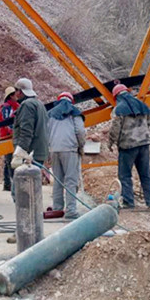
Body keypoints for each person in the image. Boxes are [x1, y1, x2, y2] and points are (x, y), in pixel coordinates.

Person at [104, 83, 150, 211]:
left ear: (116, 96)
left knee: (125, 175)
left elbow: (115, 128)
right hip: (144, 144)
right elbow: (149, 122)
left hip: (128, 146)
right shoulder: (142, 105)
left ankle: (129, 203)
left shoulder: (119, 109)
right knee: (145, 174)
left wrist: (111, 142)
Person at [47, 91, 86, 220]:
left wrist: (48, 151)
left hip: (54, 149)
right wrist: (81, 146)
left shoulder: (50, 114)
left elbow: (46, 133)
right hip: (69, 149)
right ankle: (71, 211)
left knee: (58, 180)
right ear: (72, 101)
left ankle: (57, 208)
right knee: (71, 180)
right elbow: (80, 131)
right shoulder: (75, 112)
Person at [10, 77, 48, 199]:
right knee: (31, 190)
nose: (15, 94)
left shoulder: (27, 105)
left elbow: (26, 131)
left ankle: (24, 212)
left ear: (20, 91)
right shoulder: (39, 104)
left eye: (16, 90)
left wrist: (20, 152)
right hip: (38, 152)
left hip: (29, 155)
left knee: (21, 193)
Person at [0, 86, 19, 191]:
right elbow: (6, 122)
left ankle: (7, 184)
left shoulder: (15, 106)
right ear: (11, 96)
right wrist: (13, 132)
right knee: (10, 160)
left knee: (8, 161)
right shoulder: (7, 107)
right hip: (8, 136)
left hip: (10, 135)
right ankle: (11, 183)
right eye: (15, 94)